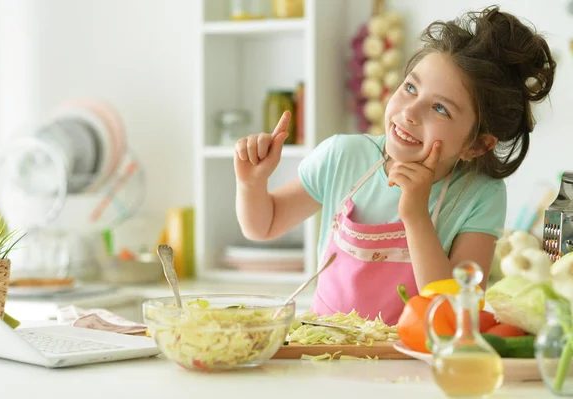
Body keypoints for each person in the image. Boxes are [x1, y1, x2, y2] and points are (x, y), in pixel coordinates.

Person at [233, 6, 556, 325]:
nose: (410, 112)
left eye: (440, 108)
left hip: (410, 367)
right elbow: (264, 225)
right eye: (410, 88)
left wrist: (415, 214)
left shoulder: (480, 194)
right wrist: (251, 184)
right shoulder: (343, 156)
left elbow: (458, 312)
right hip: (324, 350)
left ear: (476, 145)